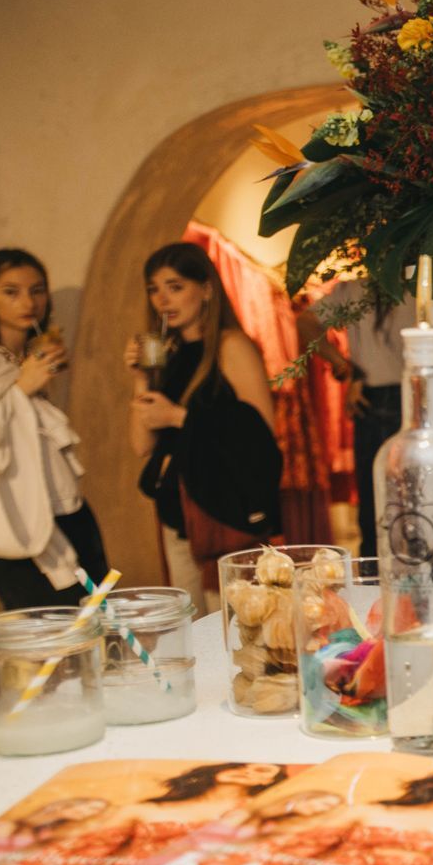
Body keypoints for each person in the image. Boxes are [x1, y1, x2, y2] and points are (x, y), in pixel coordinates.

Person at [127, 242, 282, 610]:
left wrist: (180, 418)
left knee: (231, 626)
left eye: (175, 287)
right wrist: (140, 379)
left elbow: (261, 435)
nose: (162, 299)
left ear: (207, 289)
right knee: (193, 629)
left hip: (223, 512)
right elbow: (141, 445)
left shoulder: (231, 347)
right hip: (177, 512)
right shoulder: (170, 355)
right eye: (154, 289)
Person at [0, 248, 109, 609]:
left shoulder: (33, 356)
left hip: (68, 511)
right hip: (18, 520)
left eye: (37, 290)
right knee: (52, 639)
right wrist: (22, 387)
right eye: (11, 292)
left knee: (99, 624)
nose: (28, 301)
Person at [312, 279, 414, 553]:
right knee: (407, 506)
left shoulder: (356, 290)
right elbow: (305, 323)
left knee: (378, 509)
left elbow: (305, 324)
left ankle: (375, 585)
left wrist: (344, 366)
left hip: (380, 395)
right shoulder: (423, 283)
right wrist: (346, 368)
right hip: (390, 394)